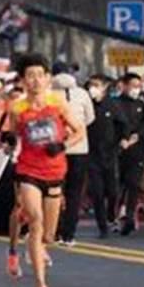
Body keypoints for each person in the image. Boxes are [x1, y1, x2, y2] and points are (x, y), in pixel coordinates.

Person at [9, 53, 84, 287]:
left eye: (40, 75)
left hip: (54, 171)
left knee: (48, 237)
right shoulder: (17, 108)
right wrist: (9, 145)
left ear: (48, 78)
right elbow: (13, 136)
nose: (35, 80)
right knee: (36, 220)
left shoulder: (59, 104)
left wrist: (61, 146)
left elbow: (80, 131)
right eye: (30, 76)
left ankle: (27, 228)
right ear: (23, 80)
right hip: (29, 170)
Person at [52, 63, 95, 246]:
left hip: (54, 150)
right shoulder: (82, 93)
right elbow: (90, 118)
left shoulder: (48, 95)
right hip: (79, 148)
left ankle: (54, 230)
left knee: (54, 192)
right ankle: (69, 234)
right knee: (75, 193)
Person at [86, 75, 131, 238]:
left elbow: (123, 124)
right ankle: (102, 226)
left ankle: (112, 213)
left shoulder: (112, 105)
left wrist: (124, 139)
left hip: (110, 154)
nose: (93, 88)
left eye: (97, 85)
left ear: (105, 87)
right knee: (97, 193)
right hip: (91, 155)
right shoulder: (87, 104)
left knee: (112, 191)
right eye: (91, 85)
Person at [117, 73, 144, 236]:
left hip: (137, 150)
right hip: (118, 151)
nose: (136, 89)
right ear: (124, 85)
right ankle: (115, 213)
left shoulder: (142, 105)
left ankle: (129, 216)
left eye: (138, 86)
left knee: (133, 183)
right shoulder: (115, 104)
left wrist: (137, 135)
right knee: (117, 185)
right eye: (133, 85)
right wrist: (120, 139)